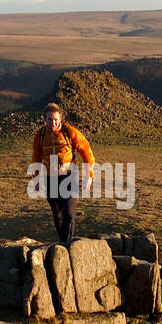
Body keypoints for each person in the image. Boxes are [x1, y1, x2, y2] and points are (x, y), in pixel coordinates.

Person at [30, 102, 94, 243]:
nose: (53, 122)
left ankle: (69, 242)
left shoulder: (69, 132)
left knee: (68, 211)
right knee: (57, 214)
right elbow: (36, 157)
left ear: (60, 118)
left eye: (56, 119)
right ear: (44, 119)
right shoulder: (40, 135)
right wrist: (36, 179)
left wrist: (89, 176)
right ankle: (63, 243)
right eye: (50, 119)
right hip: (50, 178)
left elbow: (86, 151)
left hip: (69, 176)